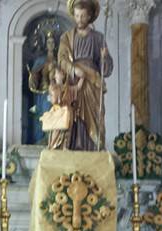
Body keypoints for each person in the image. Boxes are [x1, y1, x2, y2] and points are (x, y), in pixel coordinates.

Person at [57, 0, 113, 151]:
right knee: (73, 115)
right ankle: (73, 145)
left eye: (83, 16)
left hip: (92, 82)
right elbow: (61, 60)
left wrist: (105, 58)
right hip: (74, 82)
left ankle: (92, 147)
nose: (79, 19)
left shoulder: (98, 38)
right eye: (77, 16)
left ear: (89, 16)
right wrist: (74, 70)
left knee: (94, 116)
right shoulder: (66, 37)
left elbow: (106, 70)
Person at [41, 64, 83, 150]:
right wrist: (56, 100)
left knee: (67, 131)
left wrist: (83, 77)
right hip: (57, 111)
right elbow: (51, 99)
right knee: (56, 131)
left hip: (67, 112)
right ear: (55, 76)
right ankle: (53, 146)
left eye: (61, 73)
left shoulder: (68, 88)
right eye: (58, 73)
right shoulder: (52, 87)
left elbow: (78, 88)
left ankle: (65, 146)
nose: (60, 75)